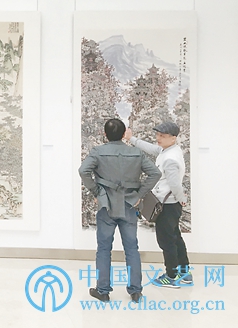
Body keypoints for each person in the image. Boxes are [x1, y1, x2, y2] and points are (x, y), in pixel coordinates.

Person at [79, 119, 161, 303]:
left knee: (104, 249)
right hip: (129, 205)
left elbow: (83, 171)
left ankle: (103, 291)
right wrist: (139, 194)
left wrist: (97, 192)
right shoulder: (136, 153)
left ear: (105, 134)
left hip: (107, 205)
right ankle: (136, 291)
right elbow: (155, 173)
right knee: (132, 248)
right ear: (124, 134)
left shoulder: (98, 152)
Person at [124, 121, 191, 288]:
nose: (158, 138)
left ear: (173, 138)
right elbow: (152, 149)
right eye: (158, 135)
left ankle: (171, 276)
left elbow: (174, 184)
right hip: (170, 204)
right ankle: (184, 273)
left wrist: (181, 198)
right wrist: (132, 139)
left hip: (167, 205)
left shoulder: (170, 159)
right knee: (175, 238)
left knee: (166, 241)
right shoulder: (169, 150)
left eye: (163, 136)